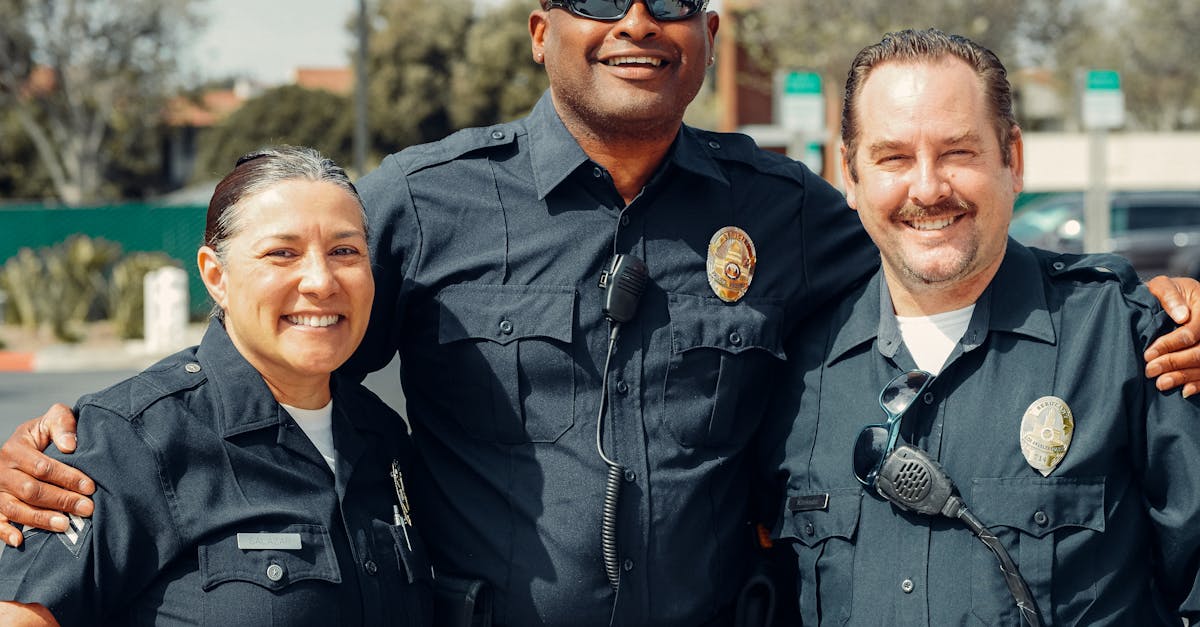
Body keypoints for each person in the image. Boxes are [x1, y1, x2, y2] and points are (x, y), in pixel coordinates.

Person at [2, 5, 1200, 627]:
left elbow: (946, 247)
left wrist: (1162, 302)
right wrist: (86, 445)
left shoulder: (786, 208)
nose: (636, 19)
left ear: (707, 37)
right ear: (540, 32)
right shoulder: (420, 200)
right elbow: (277, 330)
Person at [766, 28, 1200, 625]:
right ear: (850, 173)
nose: (927, 187)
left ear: (1012, 160)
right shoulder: (796, 369)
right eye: (893, 157)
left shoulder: (1126, 338)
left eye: (958, 152)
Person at [0, 147, 433, 626]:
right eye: (282, 253)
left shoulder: (384, 439)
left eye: (344, 251)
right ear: (216, 276)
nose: (320, 280)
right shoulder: (131, 441)